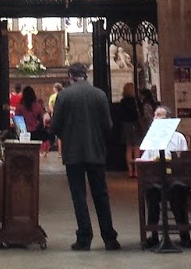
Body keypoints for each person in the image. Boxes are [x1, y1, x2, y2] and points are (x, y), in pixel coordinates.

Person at [49, 62, 121, 251]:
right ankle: (109, 238)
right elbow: (108, 125)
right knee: (101, 194)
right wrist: (97, 137)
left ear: (70, 76)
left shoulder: (64, 96)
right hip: (95, 150)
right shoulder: (99, 94)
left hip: (73, 153)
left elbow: (55, 125)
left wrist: (67, 137)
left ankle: (84, 238)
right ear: (86, 75)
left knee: (79, 195)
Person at [137, 105, 191, 247]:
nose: (155, 118)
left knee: (178, 194)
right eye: (155, 115)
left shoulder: (178, 138)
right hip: (156, 179)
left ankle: (184, 235)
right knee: (151, 193)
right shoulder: (152, 138)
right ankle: (153, 234)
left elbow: (184, 159)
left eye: (159, 115)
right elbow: (144, 159)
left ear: (168, 119)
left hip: (174, 178)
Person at [117, 81, 143, 176]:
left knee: (128, 148)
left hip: (126, 125)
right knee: (136, 148)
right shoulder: (136, 101)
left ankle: (130, 171)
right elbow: (140, 113)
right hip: (135, 124)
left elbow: (120, 114)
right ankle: (137, 171)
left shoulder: (123, 101)